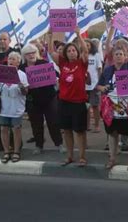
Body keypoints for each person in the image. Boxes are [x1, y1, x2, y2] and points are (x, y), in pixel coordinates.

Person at [97, 47, 128, 171]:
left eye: (121, 54)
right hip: (111, 108)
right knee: (112, 134)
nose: (118, 56)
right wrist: (103, 88)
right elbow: (98, 86)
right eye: (116, 54)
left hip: (127, 107)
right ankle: (112, 159)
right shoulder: (107, 71)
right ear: (112, 56)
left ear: (125, 55)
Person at [51, 27, 89, 167]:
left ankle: (82, 156)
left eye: (73, 50)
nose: (72, 52)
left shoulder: (81, 63)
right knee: (67, 131)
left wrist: (79, 35)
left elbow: (85, 50)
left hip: (78, 102)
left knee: (80, 132)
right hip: (64, 102)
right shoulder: (63, 64)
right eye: (69, 51)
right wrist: (49, 36)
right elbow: (51, 52)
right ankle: (70, 156)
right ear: (66, 54)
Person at [21, 44, 64, 154]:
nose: (31, 55)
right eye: (28, 53)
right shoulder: (21, 69)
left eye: (33, 52)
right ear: (24, 56)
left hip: (49, 98)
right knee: (36, 124)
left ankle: (59, 143)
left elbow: (56, 75)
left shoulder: (44, 64)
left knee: (53, 122)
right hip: (32, 100)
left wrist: (56, 80)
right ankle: (39, 145)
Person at [86, 39, 103, 133]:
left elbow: (99, 69)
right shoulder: (81, 56)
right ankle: (87, 125)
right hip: (83, 86)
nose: (86, 47)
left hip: (94, 85)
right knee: (86, 107)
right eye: (84, 45)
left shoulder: (96, 55)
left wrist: (100, 82)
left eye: (88, 45)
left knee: (95, 106)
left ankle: (97, 125)